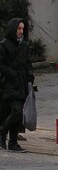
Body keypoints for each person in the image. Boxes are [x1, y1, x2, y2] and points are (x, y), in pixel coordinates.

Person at [0, 18, 35, 152]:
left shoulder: (24, 45)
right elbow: (1, 65)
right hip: (10, 84)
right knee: (17, 111)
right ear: (13, 29)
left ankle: (13, 143)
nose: (21, 31)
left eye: (22, 28)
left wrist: (30, 76)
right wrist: (13, 75)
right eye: (19, 28)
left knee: (18, 115)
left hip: (22, 84)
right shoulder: (4, 45)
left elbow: (28, 63)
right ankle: (2, 132)